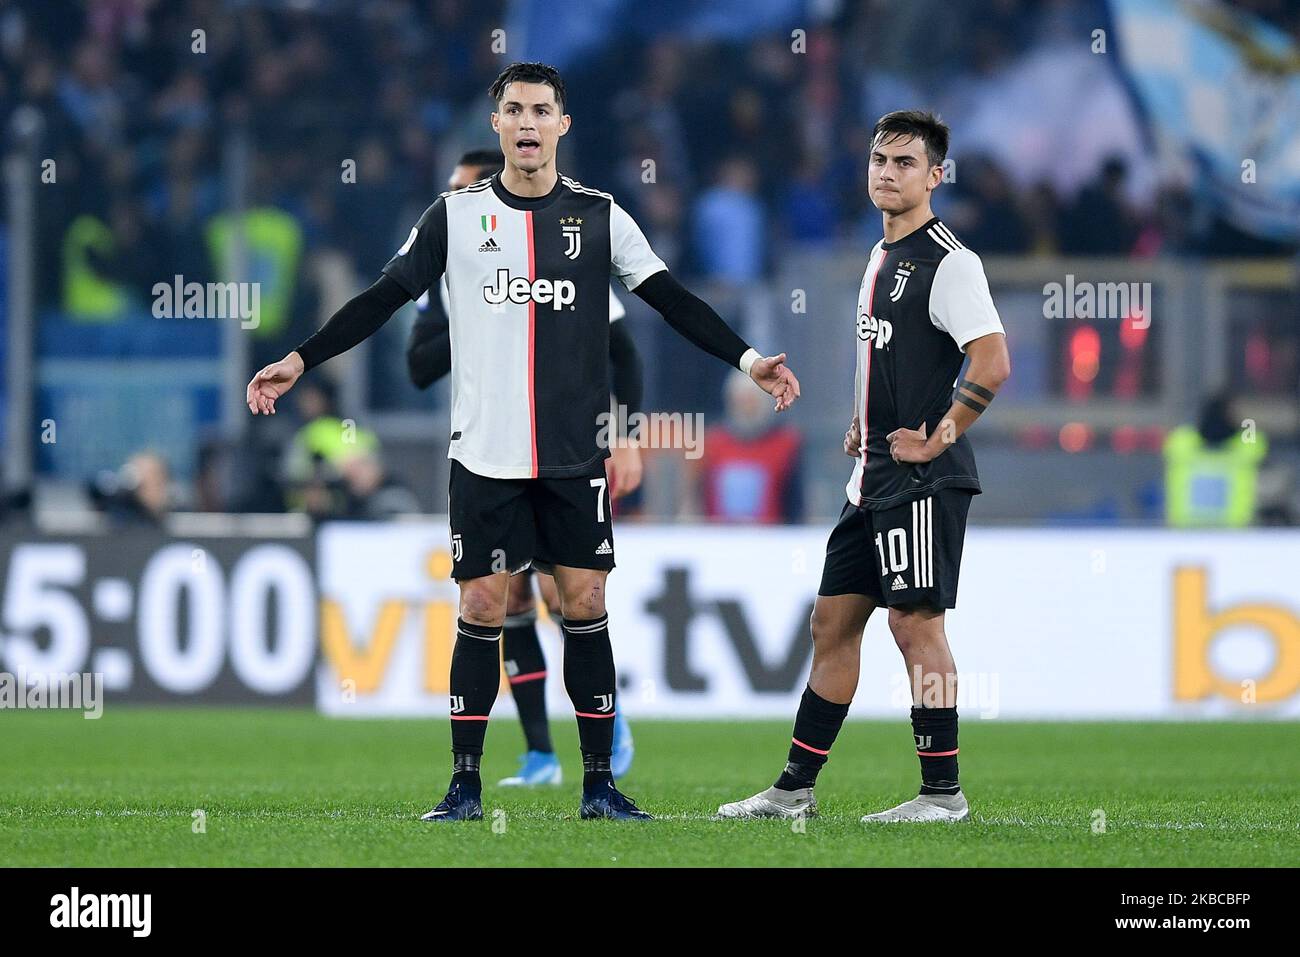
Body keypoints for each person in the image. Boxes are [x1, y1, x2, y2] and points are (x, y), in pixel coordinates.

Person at [246, 62, 800, 822]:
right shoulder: (454, 215)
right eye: (515, 110)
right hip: (484, 454)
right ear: (498, 123)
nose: (530, 123)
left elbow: (671, 300)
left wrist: (747, 358)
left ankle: (599, 784)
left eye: (543, 110)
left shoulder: (603, 216)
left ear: (562, 125)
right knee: (481, 603)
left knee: (585, 601)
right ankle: (464, 786)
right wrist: (301, 358)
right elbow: (382, 298)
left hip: (574, 457)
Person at [718, 110, 1010, 824]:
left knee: (914, 626)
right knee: (832, 624)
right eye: (880, 159)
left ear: (936, 175)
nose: (887, 171)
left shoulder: (949, 260)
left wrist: (939, 435)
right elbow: (891, 354)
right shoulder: (880, 254)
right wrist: (863, 419)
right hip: (872, 476)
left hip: (921, 480)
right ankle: (794, 787)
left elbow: (993, 360)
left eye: (906, 162)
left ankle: (943, 795)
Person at [406, 148, 641, 785]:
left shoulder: (567, 244)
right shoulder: (449, 272)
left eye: (465, 189)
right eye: (451, 193)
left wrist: (628, 431)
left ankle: (602, 739)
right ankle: (537, 753)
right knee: (498, 598)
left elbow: (627, 352)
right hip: (490, 452)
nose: (457, 204)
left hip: (563, 451)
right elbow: (418, 367)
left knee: (566, 595)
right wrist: (482, 316)